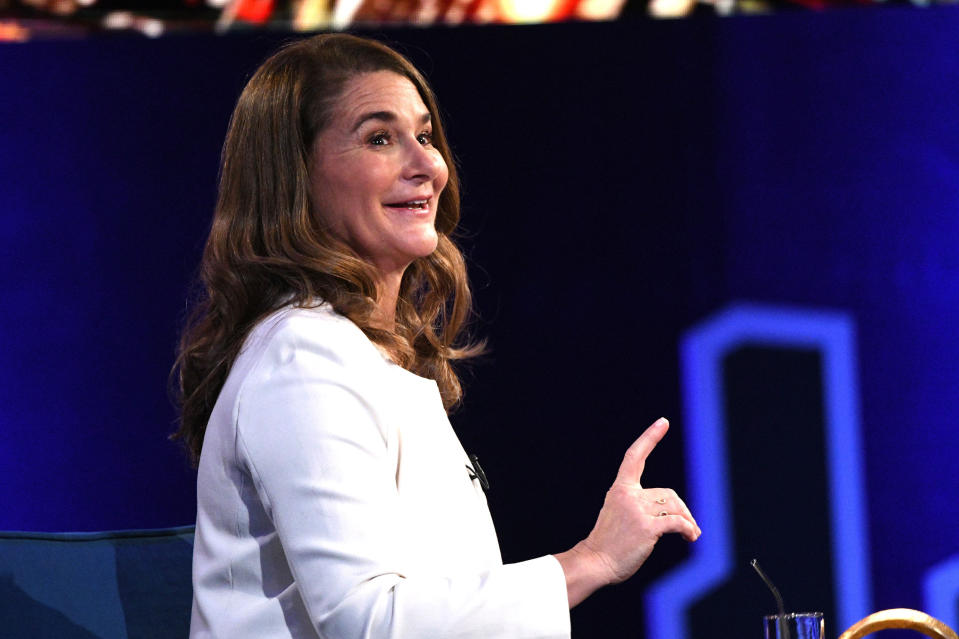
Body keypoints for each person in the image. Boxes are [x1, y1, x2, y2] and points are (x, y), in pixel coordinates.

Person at [173, 33, 701, 639]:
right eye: (379, 138)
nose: (428, 166)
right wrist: (590, 562)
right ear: (295, 177)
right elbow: (369, 621)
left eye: (423, 136)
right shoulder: (304, 357)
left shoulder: (359, 354)